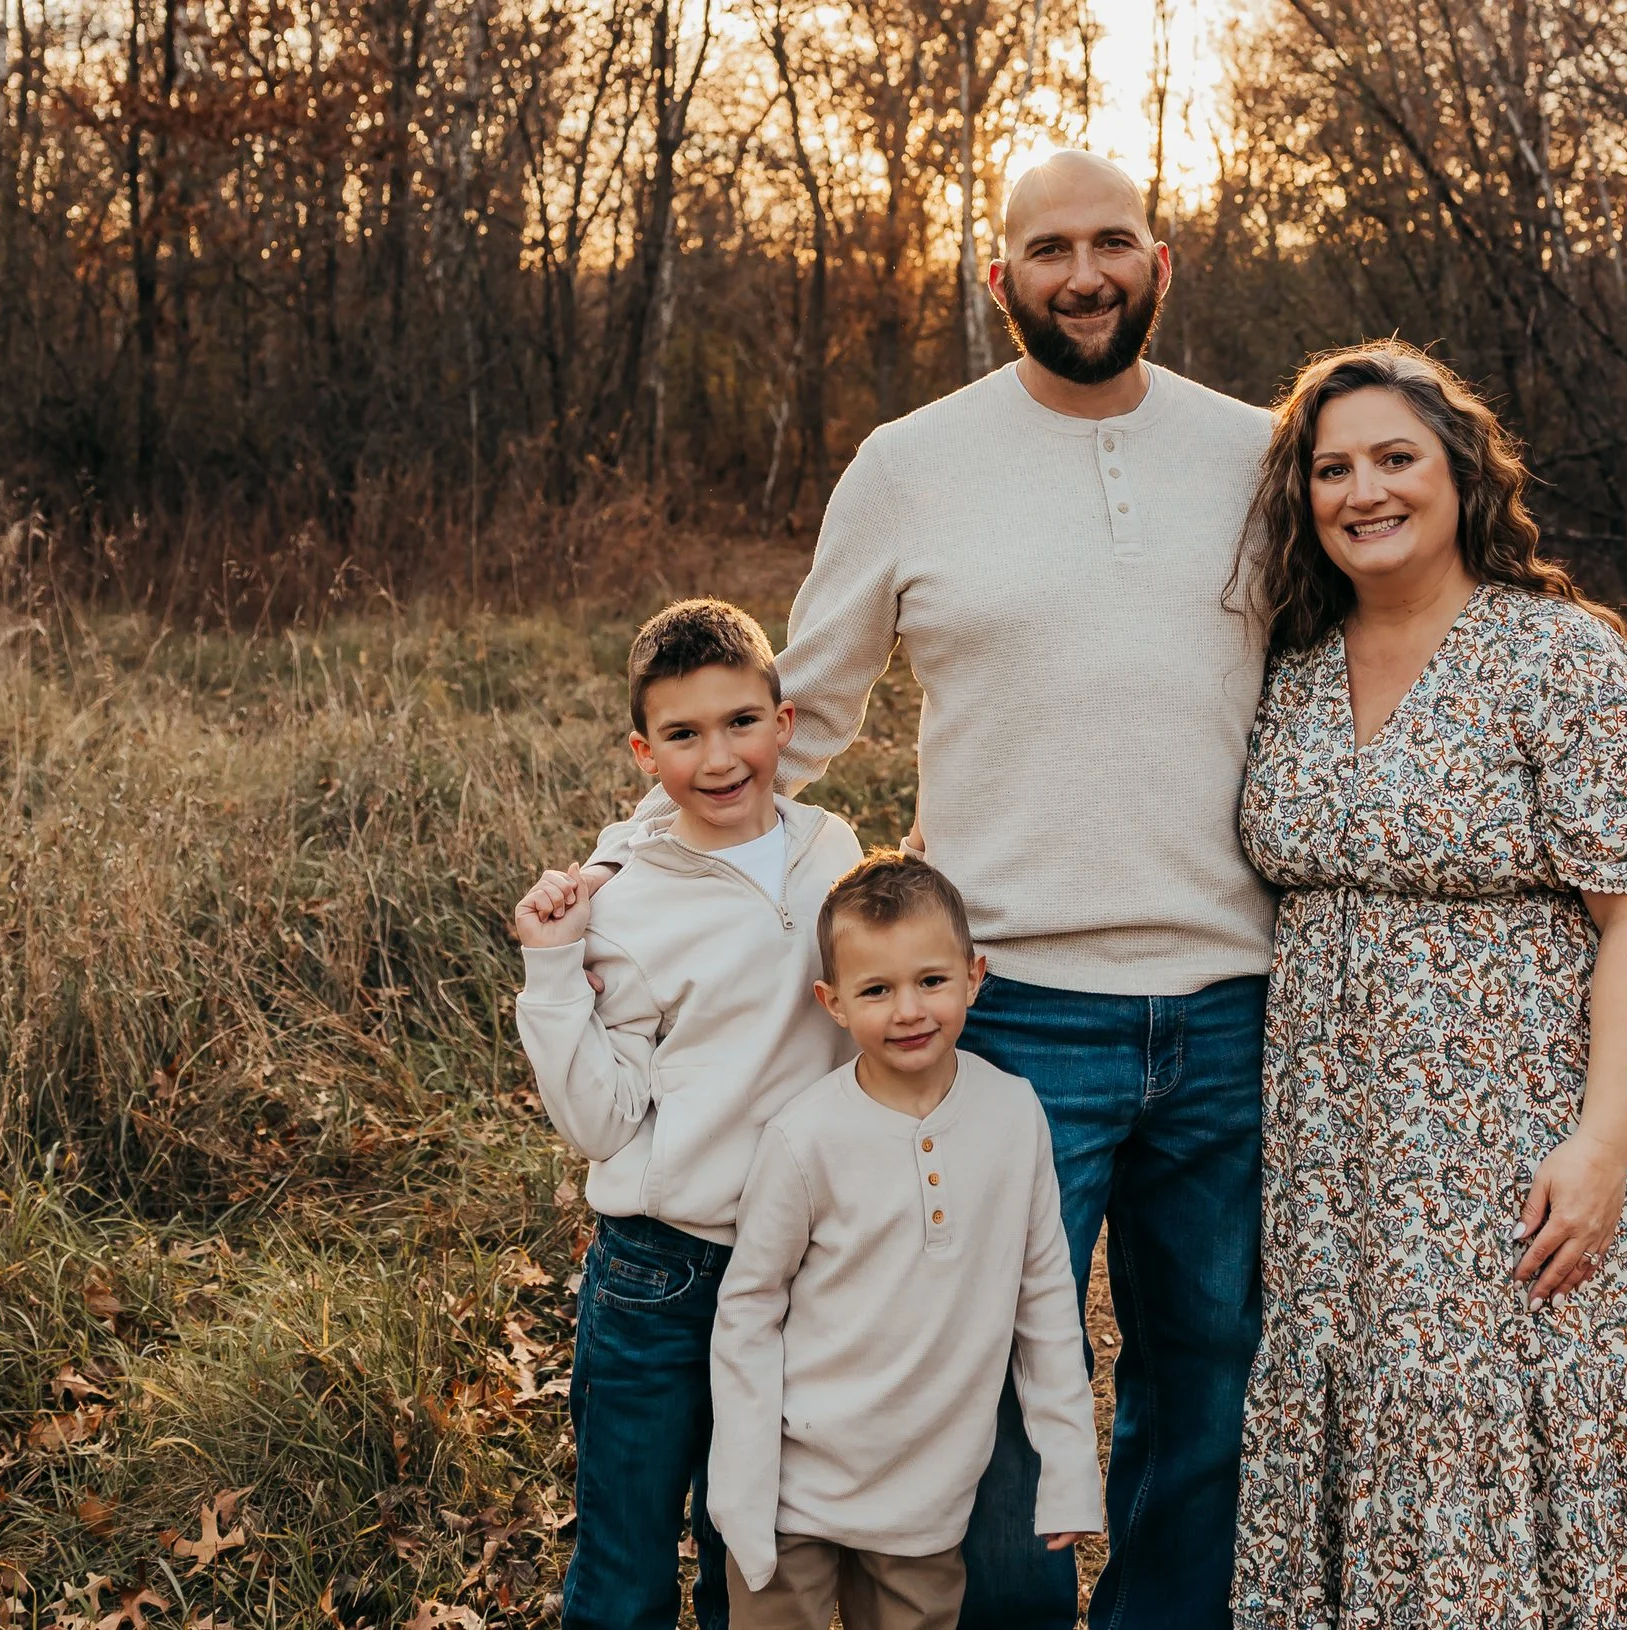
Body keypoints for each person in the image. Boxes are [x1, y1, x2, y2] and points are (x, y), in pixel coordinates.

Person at [588, 149, 1275, 1629]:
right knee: (986, 1394)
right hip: (1008, 1004)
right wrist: (621, 867)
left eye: (1111, 242)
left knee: (1210, 1375)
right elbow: (798, 712)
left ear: (1160, 262)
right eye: (1048, 249)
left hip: (1238, 998)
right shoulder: (910, 463)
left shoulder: (1261, 451)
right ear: (998, 279)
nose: (1082, 272)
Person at [1228, 340, 1627, 1626]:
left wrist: (1602, 1144)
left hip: (1515, 1139)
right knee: (1363, 1412)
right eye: (1331, 468)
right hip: (1335, 1160)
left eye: (1395, 457)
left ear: (1459, 471)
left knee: (1504, 1415)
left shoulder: (1556, 656)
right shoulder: (1289, 666)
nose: (1363, 491)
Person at [511, 598, 864, 1630]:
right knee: (623, 1567)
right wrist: (551, 968)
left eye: (740, 722)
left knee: (751, 1560)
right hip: (662, 1273)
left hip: (797, 1272)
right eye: (683, 734)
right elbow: (603, 1120)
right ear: (644, 750)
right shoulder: (621, 901)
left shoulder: (832, 848)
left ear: (783, 722)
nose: (718, 757)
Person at [709, 852, 1102, 1629]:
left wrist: (1068, 1468)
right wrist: (744, 1487)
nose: (910, 1010)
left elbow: (1046, 1298)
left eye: (931, 980)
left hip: (928, 1501)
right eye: (877, 990)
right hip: (794, 1492)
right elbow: (748, 1310)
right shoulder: (805, 1137)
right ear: (833, 1002)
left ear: (974, 976)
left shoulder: (1015, 1113)